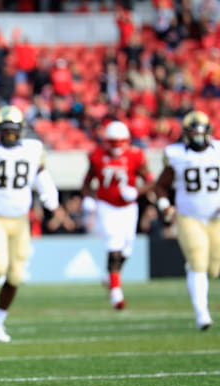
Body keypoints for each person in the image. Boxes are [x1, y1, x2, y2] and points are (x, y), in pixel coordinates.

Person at [0, 105, 63, 342]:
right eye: (5, 131)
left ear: (21, 131)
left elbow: (39, 173)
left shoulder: (32, 149)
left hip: (20, 219)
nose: (9, 135)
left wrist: (49, 192)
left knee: (15, 276)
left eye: (13, 131)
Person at [155, 111, 218, 330]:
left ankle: (194, 270)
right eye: (193, 131)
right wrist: (166, 206)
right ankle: (202, 314)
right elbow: (161, 185)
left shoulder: (218, 151)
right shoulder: (176, 154)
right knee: (198, 260)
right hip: (188, 216)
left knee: (214, 268)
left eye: (201, 131)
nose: (198, 136)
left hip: (216, 218)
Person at [81, 121, 153, 310]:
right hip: (106, 205)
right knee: (114, 245)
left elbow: (151, 180)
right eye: (112, 142)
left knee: (127, 248)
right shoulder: (96, 155)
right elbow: (87, 181)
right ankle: (116, 293)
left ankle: (109, 277)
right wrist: (88, 197)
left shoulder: (136, 155)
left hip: (129, 207)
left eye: (119, 142)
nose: (115, 147)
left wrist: (137, 191)